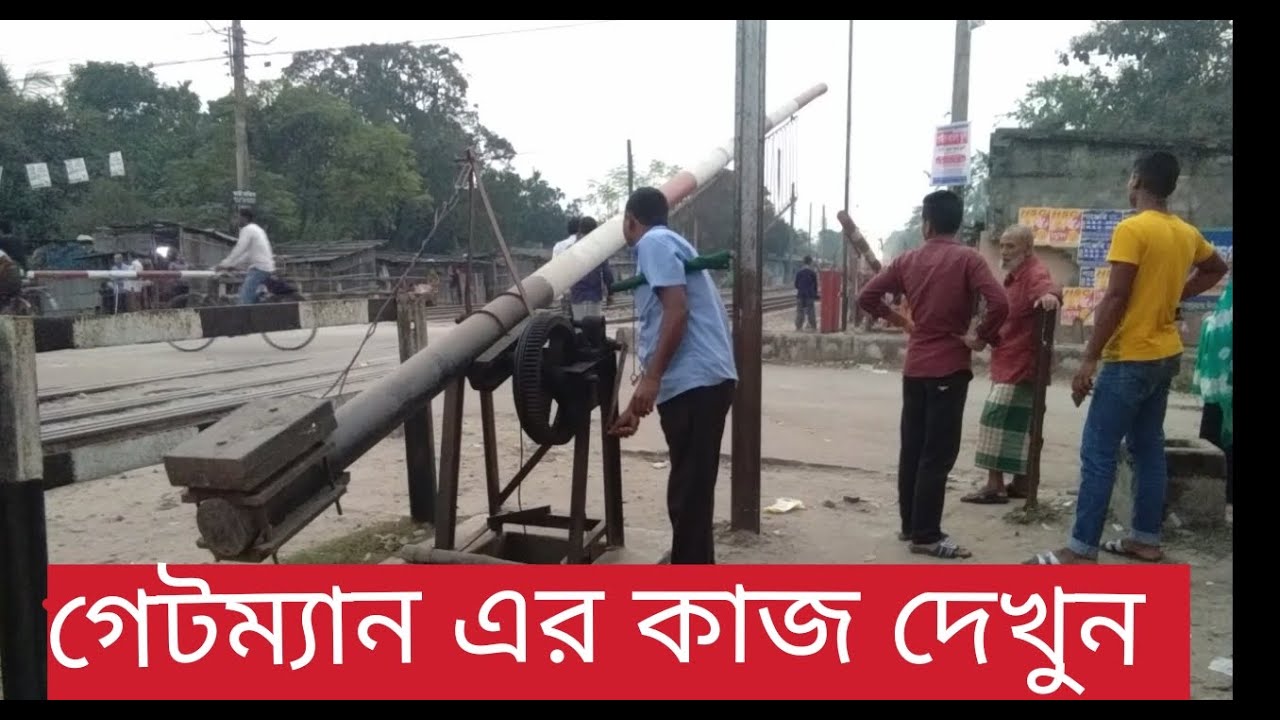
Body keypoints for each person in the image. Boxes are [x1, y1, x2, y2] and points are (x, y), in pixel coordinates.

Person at [1028, 151, 1229, 565]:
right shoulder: (1185, 233)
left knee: (1098, 451)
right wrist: (1177, 295)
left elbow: (1116, 297)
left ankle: (1081, 549)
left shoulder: (1132, 229)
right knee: (1147, 447)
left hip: (1129, 356)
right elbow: (1216, 267)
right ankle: (1145, 539)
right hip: (1165, 353)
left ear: (1136, 179)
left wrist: (1089, 358)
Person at [857, 190, 1009, 560]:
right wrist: (980, 337)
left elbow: (867, 297)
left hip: (916, 368)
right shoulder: (968, 259)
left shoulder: (908, 260)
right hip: (949, 366)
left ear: (926, 224)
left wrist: (901, 321)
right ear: (956, 222)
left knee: (913, 448)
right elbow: (1000, 303)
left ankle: (911, 524)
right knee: (936, 454)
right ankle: (926, 535)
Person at [608, 187, 738, 565]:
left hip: (697, 381)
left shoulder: (653, 243)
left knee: (690, 493)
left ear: (630, 220)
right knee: (691, 489)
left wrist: (650, 380)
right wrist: (637, 405)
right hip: (698, 381)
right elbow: (670, 318)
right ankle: (692, 564)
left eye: (625, 223)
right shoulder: (672, 243)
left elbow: (676, 313)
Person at [962, 225, 1061, 505]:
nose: (1004, 251)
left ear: (1027, 249)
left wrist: (1049, 297)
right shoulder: (1012, 278)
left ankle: (995, 485)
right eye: (1003, 246)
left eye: (1011, 246)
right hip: (1007, 358)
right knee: (1020, 425)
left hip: (1022, 364)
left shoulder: (1033, 272)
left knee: (994, 419)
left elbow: (1048, 288)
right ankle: (1021, 483)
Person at [1194, 275, 1232, 525]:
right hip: (1220, 388)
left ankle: (1211, 500)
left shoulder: (1215, 321)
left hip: (1219, 388)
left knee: (1214, 438)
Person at [217, 207, 276, 305]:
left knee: (244, 301)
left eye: (237, 217)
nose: (235, 220)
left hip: (260, 269)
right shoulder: (257, 229)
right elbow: (248, 254)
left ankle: (241, 319)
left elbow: (239, 249)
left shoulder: (247, 230)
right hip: (266, 268)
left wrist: (224, 264)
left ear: (244, 218)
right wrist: (233, 265)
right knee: (254, 299)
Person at [565, 216, 614, 319]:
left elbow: (565, 274)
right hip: (594, 296)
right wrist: (610, 293)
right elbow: (607, 274)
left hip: (577, 296)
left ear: (579, 230)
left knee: (579, 328)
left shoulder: (570, 250)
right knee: (593, 329)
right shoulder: (600, 250)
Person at [794, 255, 818, 331]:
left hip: (800, 295)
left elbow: (796, 285)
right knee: (811, 311)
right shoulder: (812, 273)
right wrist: (814, 294)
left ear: (803, 262)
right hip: (809, 295)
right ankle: (813, 327)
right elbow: (815, 286)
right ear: (810, 262)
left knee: (800, 311)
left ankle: (798, 327)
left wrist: (801, 289)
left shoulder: (799, 273)